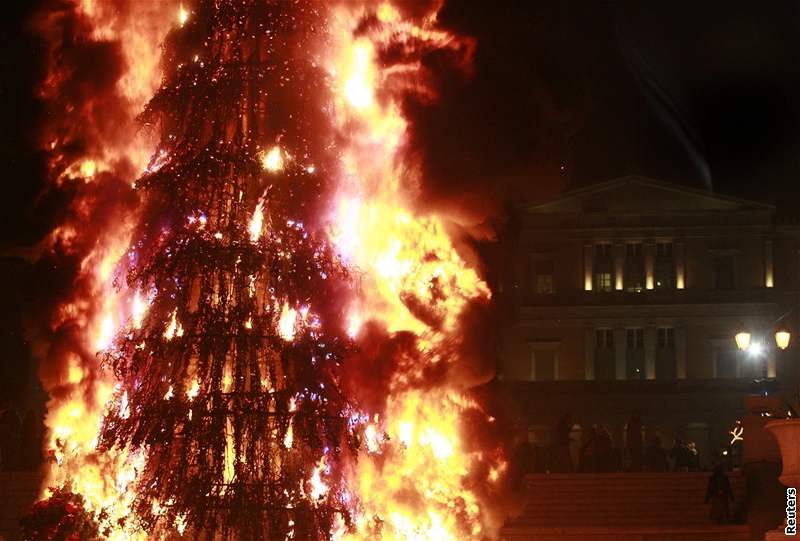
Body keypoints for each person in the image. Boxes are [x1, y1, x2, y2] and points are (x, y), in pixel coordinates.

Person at [0, 398, 22, 471]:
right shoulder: (4, 413)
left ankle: (11, 466)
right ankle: (7, 465)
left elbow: (18, 424)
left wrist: (14, 432)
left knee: (10, 451)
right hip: (5, 436)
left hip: (10, 436)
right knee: (5, 451)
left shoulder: (13, 413)